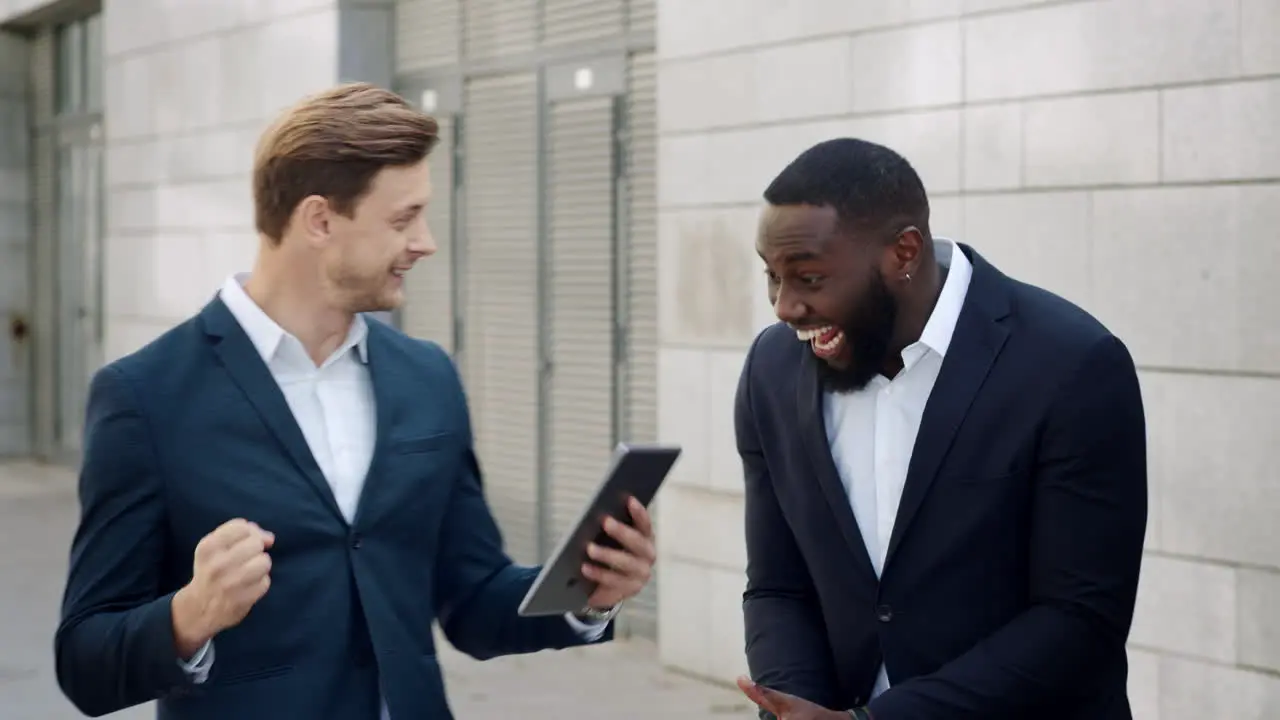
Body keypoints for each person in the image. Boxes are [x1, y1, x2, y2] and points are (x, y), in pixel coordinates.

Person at [54, 83, 657, 720]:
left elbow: (472, 600)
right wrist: (189, 615)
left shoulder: (426, 377)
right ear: (319, 220)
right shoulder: (145, 396)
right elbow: (84, 663)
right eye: (403, 219)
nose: (424, 242)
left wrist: (587, 591)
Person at [732, 138, 1147, 720]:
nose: (783, 306)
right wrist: (796, 706)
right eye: (772, 277)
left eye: (809, 278)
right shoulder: (771, 371)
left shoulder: (1072, 365)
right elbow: (778, 585)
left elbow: (1078, 619)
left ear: (904, 252)